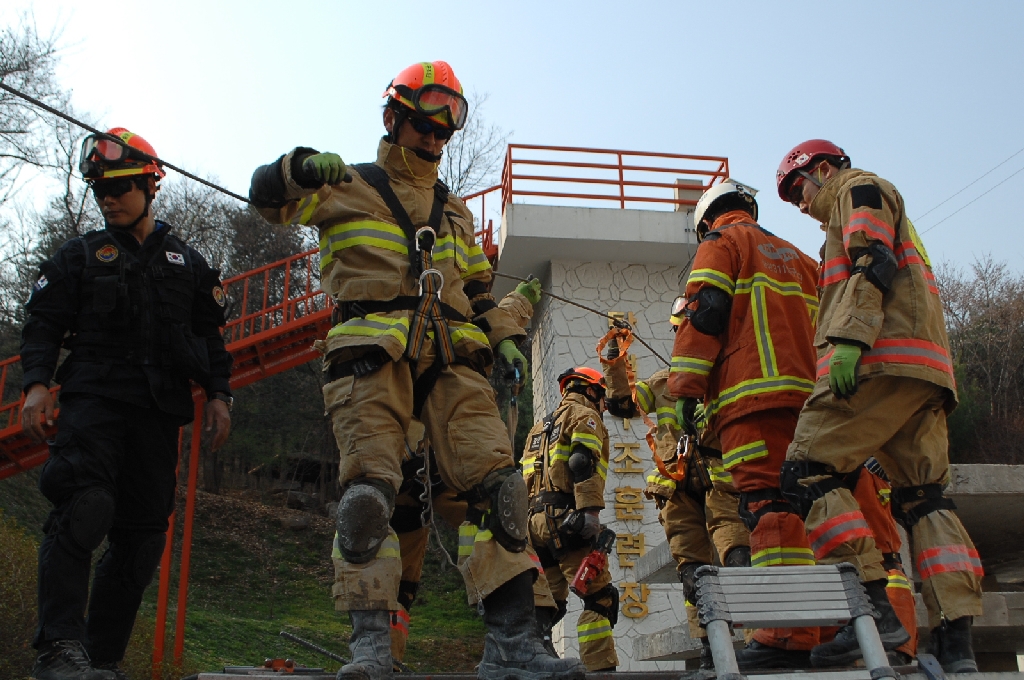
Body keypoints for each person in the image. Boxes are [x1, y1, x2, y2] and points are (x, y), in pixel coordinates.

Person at [249, 60, 583, 680]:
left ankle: (512, 642)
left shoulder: (453, 211)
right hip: (369, 351)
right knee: (368, 498)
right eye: (422, 127)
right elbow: (267, 199)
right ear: (393, 119)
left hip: (452, 356)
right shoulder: (345, 183)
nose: (433, 140)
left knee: (501, 489)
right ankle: (372, 648)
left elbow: (479, 289)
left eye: (442, 131)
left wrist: (505, 337)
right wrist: (296, 167)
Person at [21, 128, 233, 680]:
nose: (107, 198)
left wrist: (219, 395)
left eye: (118, 186)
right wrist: (37, 386)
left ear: (149, 182)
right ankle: (60, 651)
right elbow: (42, 324)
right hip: (94, 402)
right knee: (84, 508)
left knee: (142, 543)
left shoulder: (188, 263)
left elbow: (211, 338)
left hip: (159, 413)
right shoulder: (79, 257)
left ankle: (104, 659)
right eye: (98, 189)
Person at [776, 140, 981, 672]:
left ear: (823, 170)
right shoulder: (877, 201)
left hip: (878, 360)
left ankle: (867, 608)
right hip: (923, 370)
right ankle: (956, 644)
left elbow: (874, 261)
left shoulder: (857, 188)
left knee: (808, 472)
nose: (799, 203)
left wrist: (848, 338)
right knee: (924, 500)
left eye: (798, 189)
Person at [666, 179, 826, 669]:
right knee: (810, 508)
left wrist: (686, 390)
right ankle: (822, 630)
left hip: (751, 401)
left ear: (707, 221)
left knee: (767, 507)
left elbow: (707, 311)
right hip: (813, 404)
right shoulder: (800, 257)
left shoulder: (721, 244)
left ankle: (784, 636)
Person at [601, 333, 749, 669]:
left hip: (720, 480)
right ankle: (710, 649)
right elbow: (622, 403)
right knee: (692, 574)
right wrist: (614, 361)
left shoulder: (727, 375)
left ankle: (758, 641)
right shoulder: (660, 384)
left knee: (739, 557)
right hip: (675, 487)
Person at [522, 367, 619, 672]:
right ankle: (601, 672)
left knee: (548, 602)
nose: (604, 406)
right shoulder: (583, 416)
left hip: (535, 525)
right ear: (591, 391)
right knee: (600, 598)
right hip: (567, 520)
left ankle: (525, 660)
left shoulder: (538, 429)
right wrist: (589, 511)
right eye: (602, 397)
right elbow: (581, 460)